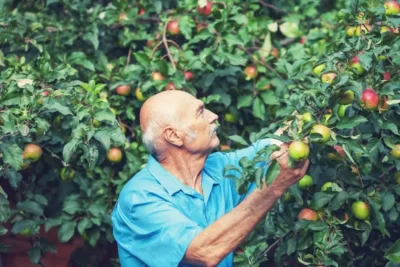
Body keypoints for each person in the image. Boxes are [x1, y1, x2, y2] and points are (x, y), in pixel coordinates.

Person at [111, 90, 309, 267]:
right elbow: (205, 251)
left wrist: (314, 110)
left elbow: (274, 146)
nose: (213, 116)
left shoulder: (218, 168)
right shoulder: (139, 199)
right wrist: (273, 188)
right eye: (200, 112)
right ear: (174, 136)